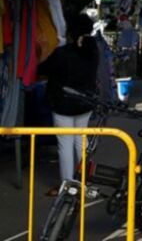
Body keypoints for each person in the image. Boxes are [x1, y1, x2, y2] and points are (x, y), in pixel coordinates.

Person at [37, 13, 99, 186]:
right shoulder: (93, 51)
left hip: (63, 104)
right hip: (85, 104)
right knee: (81, 141)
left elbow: (42, 69)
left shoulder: (62, 53)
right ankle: (85, 180)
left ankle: (68, 184)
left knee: (65, 144)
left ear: (70, 32)